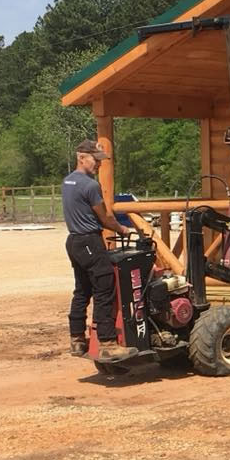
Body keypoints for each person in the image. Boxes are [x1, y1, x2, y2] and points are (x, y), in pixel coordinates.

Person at [63, 139, 135, 361]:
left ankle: (77, 339)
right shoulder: (90, 185)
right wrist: (123, 229)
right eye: (96, 160)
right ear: (82, 157)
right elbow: (104, 217)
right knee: (104, 288)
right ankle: (107, 342)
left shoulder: (67, 182)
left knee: (82, 289)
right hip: (90, 242)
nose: (99, 165)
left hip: (74, 241)